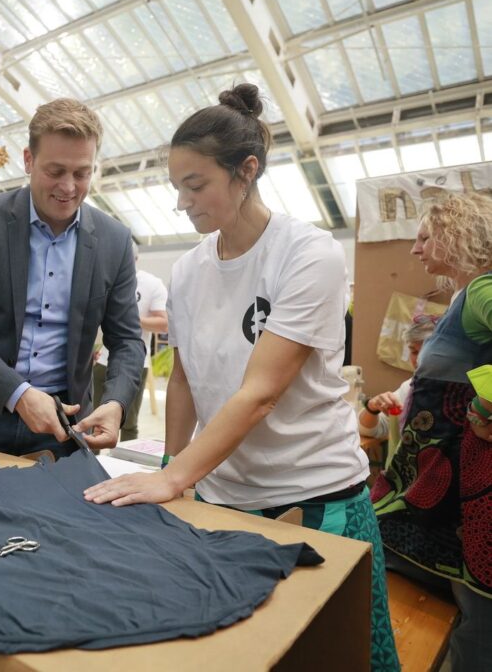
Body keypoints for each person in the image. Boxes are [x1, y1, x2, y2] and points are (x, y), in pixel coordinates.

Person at [84, 84, 399, 671]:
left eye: (195, 184)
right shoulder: (187, 270)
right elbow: (183, 379)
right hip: (224, 500)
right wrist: (169, 478)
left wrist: (175, 477)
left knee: (338, 653)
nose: (182, 202)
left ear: (245, 171)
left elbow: (260, 393)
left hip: (315, 499)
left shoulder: (308, 255)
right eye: (176, 186)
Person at [0, 98, 145, 457]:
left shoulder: (114, 241)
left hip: (63, 427)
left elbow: (128, 341)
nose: (69, 187)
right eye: (55, 171)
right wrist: (19, 394)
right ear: (28, 160)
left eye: (82, 173)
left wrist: (115, 402)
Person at [371, 192, 492, 671]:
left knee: (480, 613)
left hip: (465, 478)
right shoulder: (468, 294)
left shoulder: (483, 288)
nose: (416, 250)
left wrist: (487, 404)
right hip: (441, 475)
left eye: (425, 237)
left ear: (457, 235)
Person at [92, 244, 167, 441]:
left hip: (134, 363)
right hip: (101, 360)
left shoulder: (152, 283)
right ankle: (89, 468)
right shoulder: (105, 277)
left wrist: (130, 319)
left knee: (128, 423)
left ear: (135, 259)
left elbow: (164, 323)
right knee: (93, 420)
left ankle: (127, 465)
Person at [358, 315, 437, 439]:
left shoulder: (467, 390)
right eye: (414, 352)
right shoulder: (410, 388)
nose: (419, 360)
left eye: (426, 352)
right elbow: (370, 430)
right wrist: (372, 408)